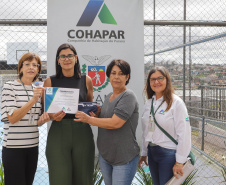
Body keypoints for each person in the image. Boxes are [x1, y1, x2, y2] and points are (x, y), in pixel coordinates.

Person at [75, 59, 140, 185]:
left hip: (123, 158)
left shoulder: (128, 96)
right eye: (113, 73)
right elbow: (106, 120)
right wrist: (97, 115)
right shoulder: (109, 96)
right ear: (109, 76)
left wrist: (89, 119)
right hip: (106, 157)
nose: (116, 77)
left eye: (121, 74)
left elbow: (116, 123)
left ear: (127, 77)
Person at [43, 43, 94, 185]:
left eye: (70, 55)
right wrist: (52, 116)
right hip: (58, 132)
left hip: (82, 131)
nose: (67, 59)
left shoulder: (86, 80)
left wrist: (93, 113)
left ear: (76, 58)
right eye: (63, 56)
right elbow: (45, 111)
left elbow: (89, 105)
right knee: (59, 179)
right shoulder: (50, 81)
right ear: (58, 60)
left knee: (84, 179)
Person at [1, 52, 50, 185]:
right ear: (20, 68)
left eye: (35, 65)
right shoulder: (9, 87)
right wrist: (33, 99)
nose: (31, 67)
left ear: (39, 69)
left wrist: (43, 120)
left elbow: (35, 121)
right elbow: (12, 118)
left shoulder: (38, 90)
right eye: (27, 64)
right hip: (13, 149)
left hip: (33, 147)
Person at [138, 66, 191, 185]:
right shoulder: (149, 103)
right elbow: (146, 131)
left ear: (167, 80)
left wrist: (179, 162)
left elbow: (184, 133)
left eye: (160, 78)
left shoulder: (176, 103)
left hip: (169, 155)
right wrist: (144, 153)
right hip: (152, 153)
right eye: (152, 79)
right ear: (149, 82)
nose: (156, 82)